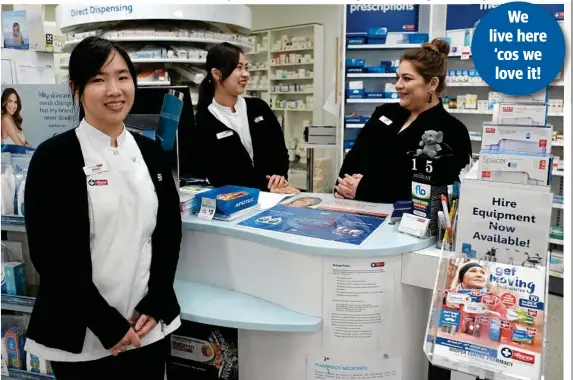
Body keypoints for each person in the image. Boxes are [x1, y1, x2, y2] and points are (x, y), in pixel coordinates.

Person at [23, 36, 182, 379]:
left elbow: (168, 235)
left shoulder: (151, 152)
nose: (114, 89)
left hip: (146, 328)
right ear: (75, 88)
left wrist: (156, 301)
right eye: (98, 79)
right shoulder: (53, 159)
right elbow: (51, 256)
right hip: (83, 336)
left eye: (123, 77)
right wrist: (105, 323)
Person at [336, 39, 471, 203]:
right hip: (352, 207)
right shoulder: (385, 112)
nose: (398, 85)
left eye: (407, 79)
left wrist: (365, 189)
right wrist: (343, 189)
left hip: (406, 222)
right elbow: (354, 158)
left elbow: (437, 189)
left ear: (433, 84)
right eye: (397, 77)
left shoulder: (452, 131)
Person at [195, 42, 298, 194]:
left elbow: (280, 152)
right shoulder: (204, 121)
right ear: (217, 74)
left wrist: (279, 177)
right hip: (234, 202)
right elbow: (217, 173)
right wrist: (262, 185)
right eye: (238, 67)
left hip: (273, 196)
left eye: (246, 67)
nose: (246, 74)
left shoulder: (259, 108)